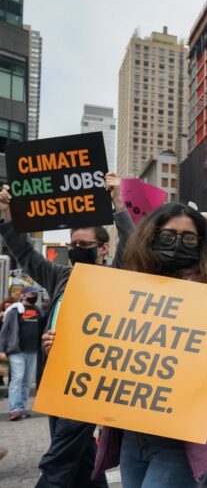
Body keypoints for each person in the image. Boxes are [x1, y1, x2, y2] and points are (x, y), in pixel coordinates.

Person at [88, 202, 207, 486]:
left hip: (182, 439)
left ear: (201, 245)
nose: (177, 244)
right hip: (132, 436)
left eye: (188, 238)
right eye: (168, 235)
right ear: (151, 237)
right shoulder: (128, 289)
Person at [0, 174, 130, 488]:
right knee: (84, 458)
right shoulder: (61, 275)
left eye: (84, 245)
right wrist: (7, 214)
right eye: (72, 245)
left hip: (90, 377)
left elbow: (131, 245)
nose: (76, 250)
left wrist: (117, 203)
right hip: (56, 374)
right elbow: (26, 255)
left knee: (60, 459)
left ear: (103, 248)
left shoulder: (116, 275)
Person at [0, 285, 44, 420]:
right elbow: (5, 331)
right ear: (23, 295)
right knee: (17, 379)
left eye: (36, 294)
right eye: (32, 294)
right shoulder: (14, 310)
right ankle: (14, 409)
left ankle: (22, 407)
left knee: (26, 381)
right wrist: (1, 349)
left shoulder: (38, 311)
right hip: (17, 351)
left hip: (32, 351)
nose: (34, 296)